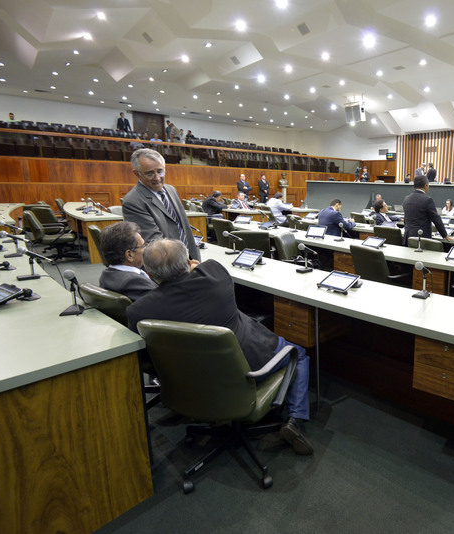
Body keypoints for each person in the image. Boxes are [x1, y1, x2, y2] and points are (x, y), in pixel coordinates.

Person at [126, 239, 313, 455]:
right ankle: (296, 420)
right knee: (299, 354)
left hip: (187, 381)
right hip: (249, 366)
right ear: (187, 262)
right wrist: (191, 266)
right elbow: (201, 266)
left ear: (149, 274)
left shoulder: (139, 312)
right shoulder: (215, 275)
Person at [122, 148, 201, 261]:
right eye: (150, 173)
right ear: (137, 174)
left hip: (189, 257)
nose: (157, 178)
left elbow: (183, 228)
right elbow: (154, 243)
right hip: (167, 262)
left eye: (160, 171)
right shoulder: (133, 201)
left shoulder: (171, 190)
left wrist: (194, 259)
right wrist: (184, 263)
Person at [98, 221, 157, 301]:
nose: (146, 249)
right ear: (129, 255)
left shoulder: (107, 274)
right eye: (143, 246)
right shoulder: (136, 282)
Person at [402, 175, 452, 245]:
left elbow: (406, 219)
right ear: (426, 186)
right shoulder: (427, 200)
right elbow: (436, 219)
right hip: (421, 238)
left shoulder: (406, 199)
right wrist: (445, 235)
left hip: (408, 237)